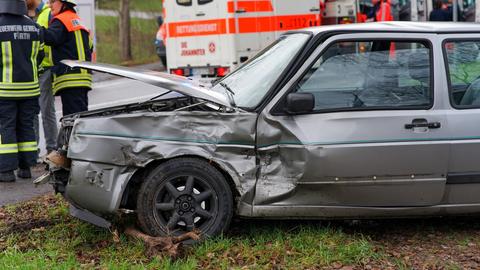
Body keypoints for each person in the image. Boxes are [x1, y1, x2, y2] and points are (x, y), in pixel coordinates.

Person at [0, 0, 44, 182]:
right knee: (26, 126)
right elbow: (40, 56)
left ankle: (6, 171)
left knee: (6, 127)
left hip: (5, 89)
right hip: (30, 88)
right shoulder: (35, 27)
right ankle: (26, 168)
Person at [42, 0, 92, 116]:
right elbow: (90, 46)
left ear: (64, 3)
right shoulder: (77, 20)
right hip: (83, 77)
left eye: (53, 1)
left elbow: (50, 37)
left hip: (70, 78)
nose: (50, 5)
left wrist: (34, 28)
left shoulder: (60, 21)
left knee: (72, 120)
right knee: (82, 117)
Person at [27, 0, 58, 155]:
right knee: (32, 111)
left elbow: (52, 38)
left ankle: (52, 148)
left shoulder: (48, 13)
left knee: (46, 110)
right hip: (32, 69)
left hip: (45, 67)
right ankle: (33, 149)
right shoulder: (27, 14)